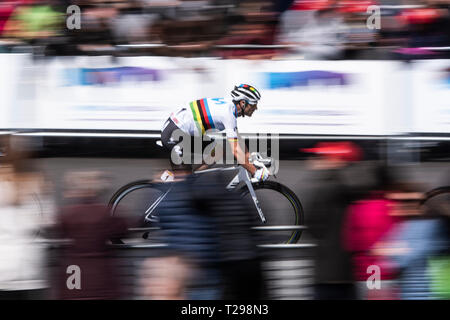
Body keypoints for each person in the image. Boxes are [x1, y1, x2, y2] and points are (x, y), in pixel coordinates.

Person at [160, 84, 269, 182]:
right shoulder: (227, 113)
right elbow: (235, 150)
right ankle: (170, 182)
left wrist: (249, 157)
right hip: (173, 133)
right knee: (184, 185)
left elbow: (237, 138)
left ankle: (189, 177)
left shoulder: (231, 109)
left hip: (183, 131)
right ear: (243, 102)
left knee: (218, 151)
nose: (256, 107)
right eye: (254, 104)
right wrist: (254, 171)